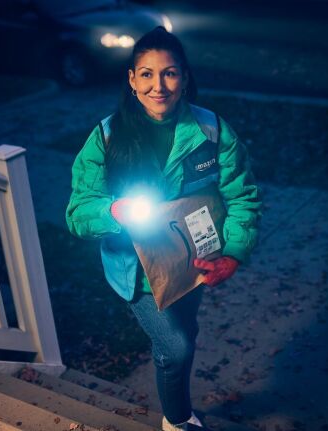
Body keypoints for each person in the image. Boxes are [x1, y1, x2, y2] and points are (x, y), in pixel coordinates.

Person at [65, 26, 262, 431]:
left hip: (194, 261)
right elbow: (78, 211)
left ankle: (182, 407)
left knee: (183, 336)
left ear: (185, 78)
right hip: (136, 269)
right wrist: (114, 210)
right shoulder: (106, 137)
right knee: (175, 347)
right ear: (132, 80)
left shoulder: (213, 132)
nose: (160, 86)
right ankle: (176, 422)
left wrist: (233, 253)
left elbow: (242, 196)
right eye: (148, 74)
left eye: (170, 73)